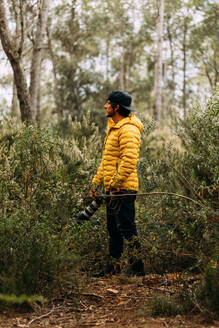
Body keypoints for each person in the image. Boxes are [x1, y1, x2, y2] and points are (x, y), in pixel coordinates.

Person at [90, 90, 145, 277]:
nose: (105, 106)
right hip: (113, 188)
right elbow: (107, 161)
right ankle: (113, 268)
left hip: (123, 188)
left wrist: (114, 183)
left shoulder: (128, 129)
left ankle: (138, 270)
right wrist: (96, 183)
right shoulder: (114, 127)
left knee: (128, 229)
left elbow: (129, 160)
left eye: (108, 103)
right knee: (113, 229)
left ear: (116, 107)